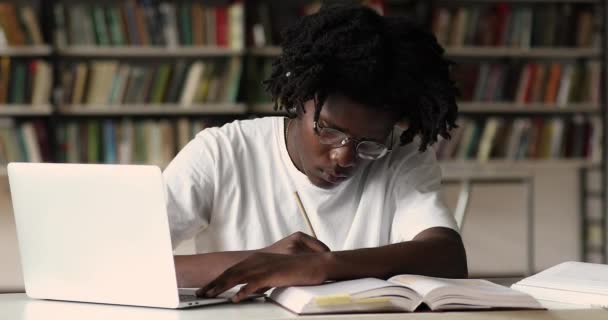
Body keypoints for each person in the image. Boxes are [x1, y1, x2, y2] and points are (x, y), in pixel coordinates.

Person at [163, 3, 467, 303]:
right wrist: (261, 261)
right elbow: (123, 262)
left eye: (369, 142)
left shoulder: (401, 154)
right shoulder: (222, 153)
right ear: (300, 101)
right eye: (329, 130)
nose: (344, 157)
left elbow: (448, 256)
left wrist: (319, 267)